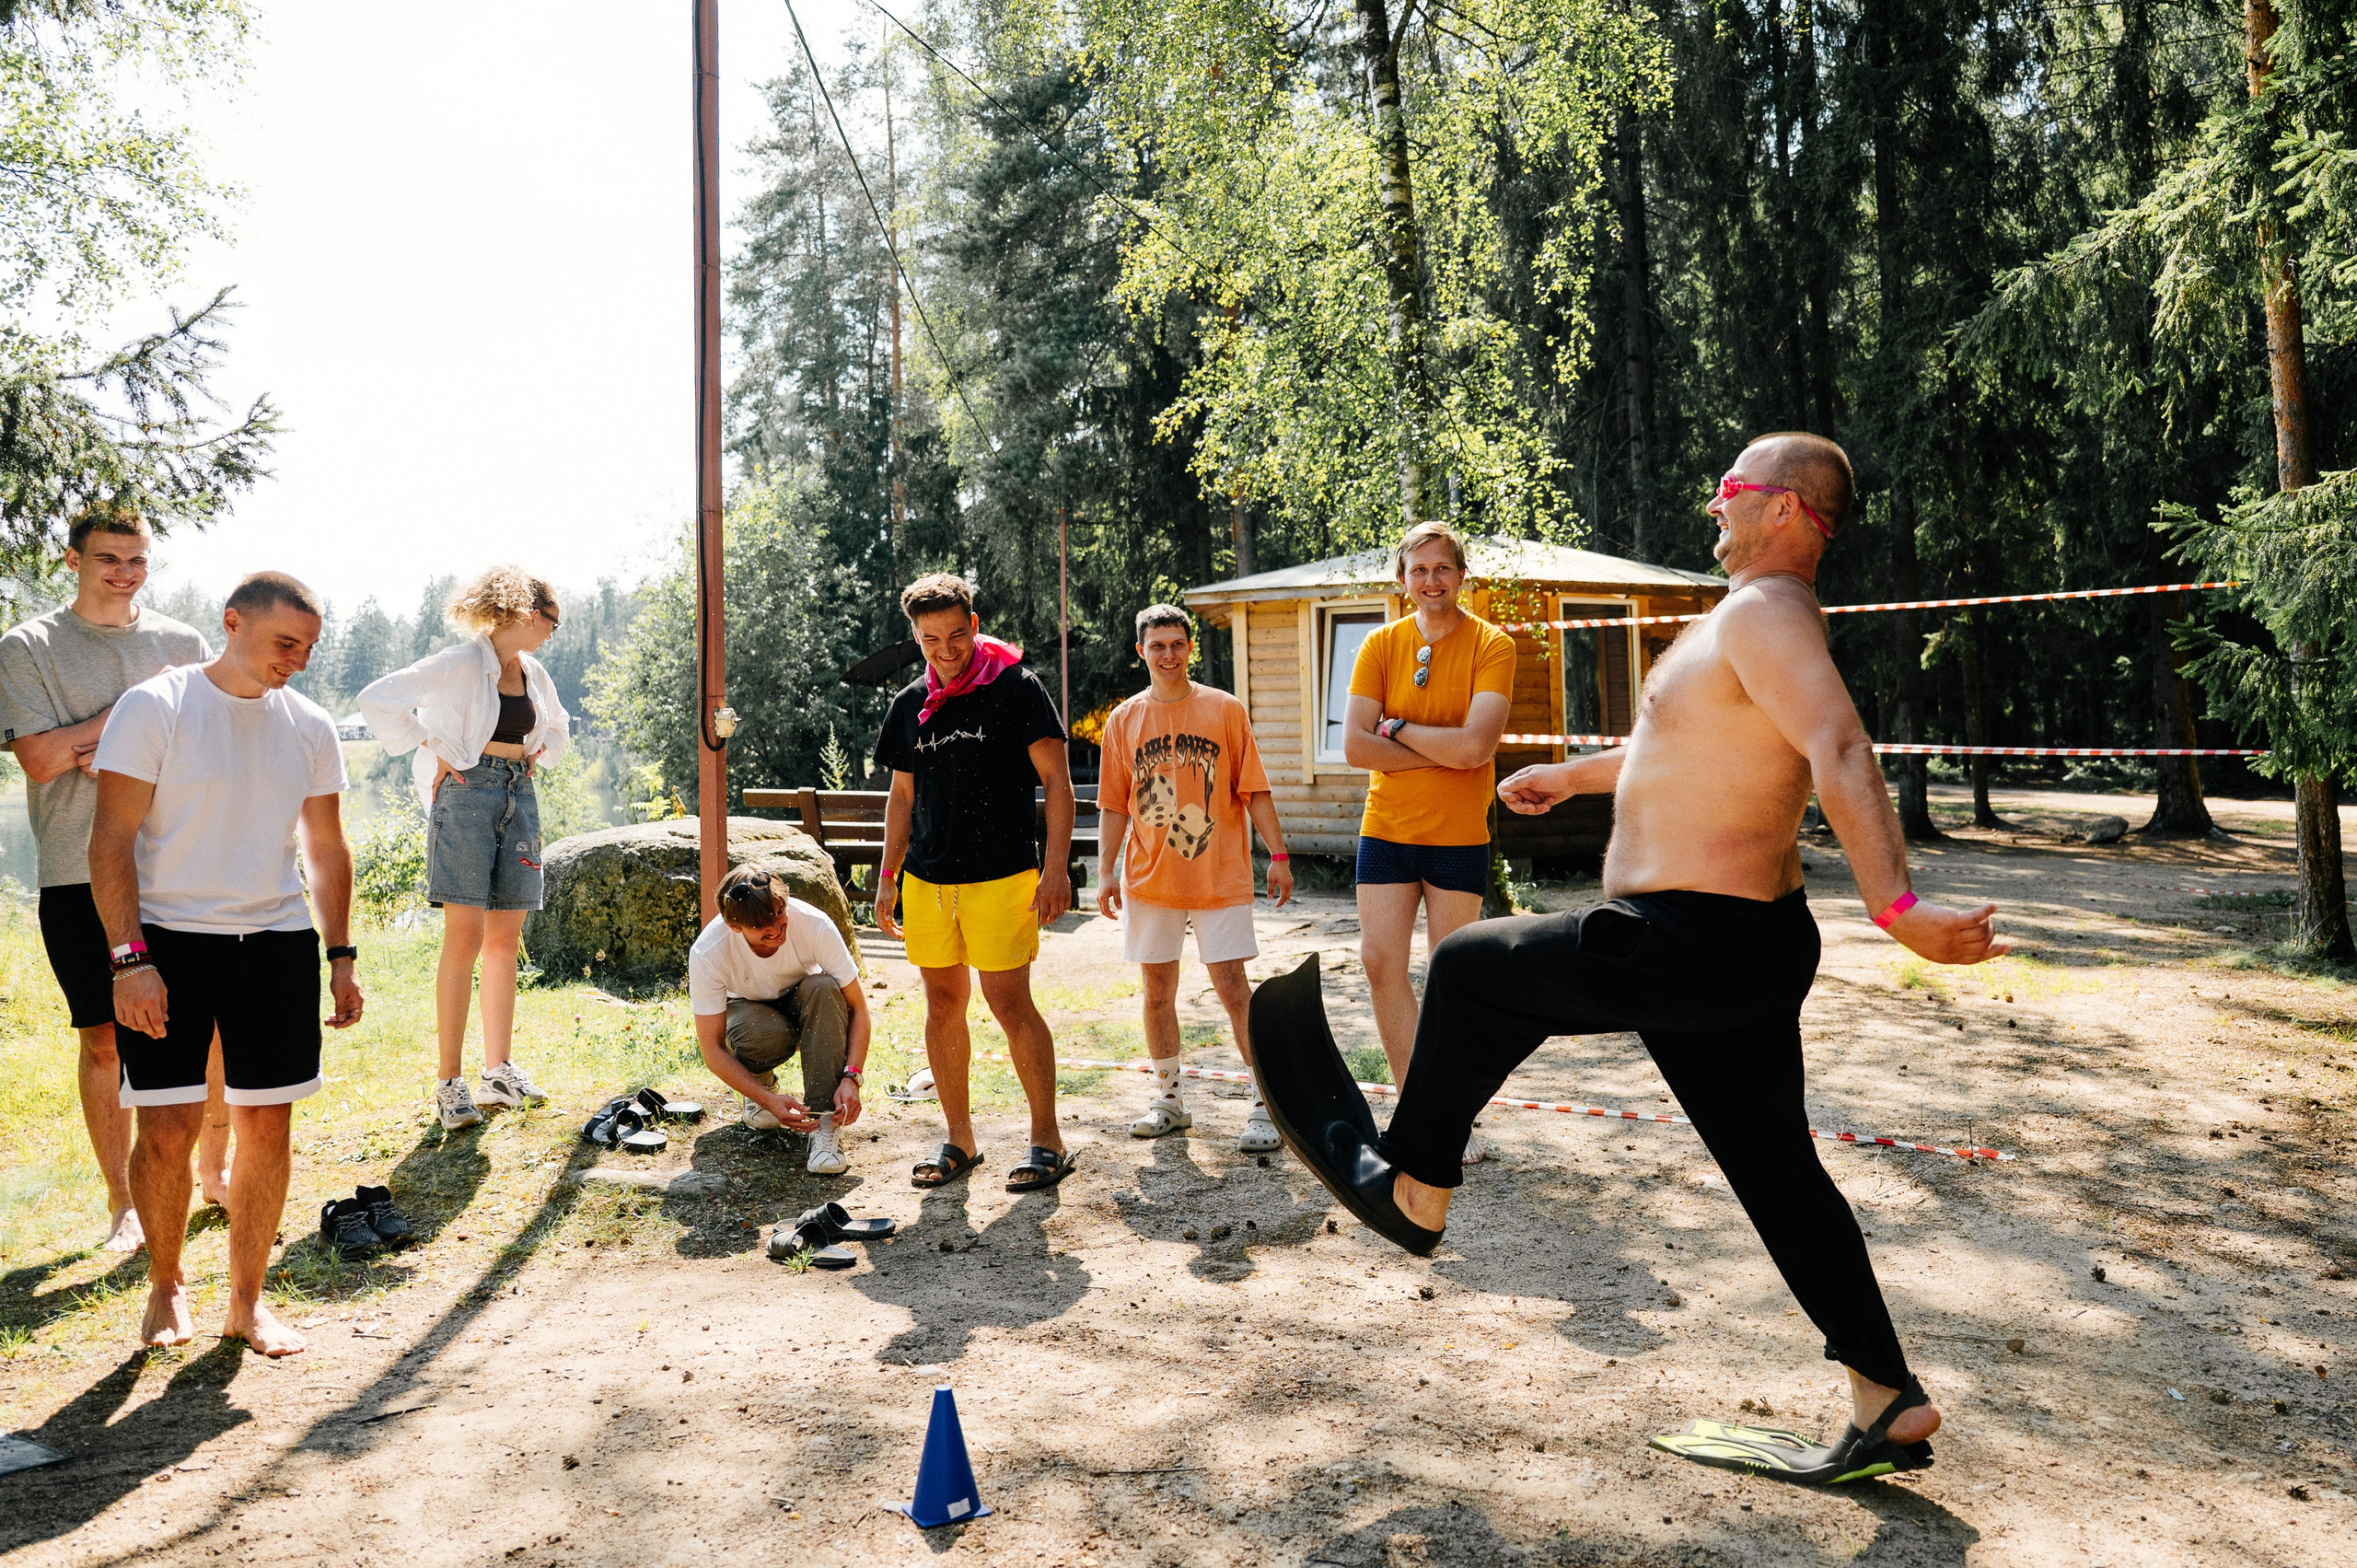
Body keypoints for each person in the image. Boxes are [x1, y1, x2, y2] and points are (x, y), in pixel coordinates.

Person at [1271, 433, 2006, 1484]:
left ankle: (1418, 1190)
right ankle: (1885, 1393)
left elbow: (1840, 745)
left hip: (1692, 936)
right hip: (1737, 947)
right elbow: (1682, 747)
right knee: (1776, 1170)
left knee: (1472, 966)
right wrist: (1572, 777)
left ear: (1787, 510)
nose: (1715, 501)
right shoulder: (1753, 621)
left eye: (1733, 487)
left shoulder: (1762, 611)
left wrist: (1896, 906)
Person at [92, 570, 364, 1356]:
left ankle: (247, 1303)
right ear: (233, 622)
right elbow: (110, 839)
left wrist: (341, 954)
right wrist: (129, 959)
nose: (297, 661)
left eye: (308, 648)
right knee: (168, 1125)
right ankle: (167, 1283)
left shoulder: (309, 724)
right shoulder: (157, 706)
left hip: (276, 942)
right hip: (168, 941)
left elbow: (325, 847)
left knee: (268, 1124)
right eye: (286, 642)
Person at [0, 506, 229, 1252]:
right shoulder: (29, 647)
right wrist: (138, 712)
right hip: (77, 870)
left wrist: (99, 746)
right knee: (103, 1039)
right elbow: (41, 760)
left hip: (179, 862)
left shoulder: (183, 644)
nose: (125, 573)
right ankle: (123, 1203)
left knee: (203, 1030)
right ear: (73, 560)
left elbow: (206, 747)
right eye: (108, 559)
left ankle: (210, 1172)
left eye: (137, 560)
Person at [872, 573, 1076, 1194]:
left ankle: (1047, 1138)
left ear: (975, 625)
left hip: (1003, 875)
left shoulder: (1017, 687)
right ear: (916, 637)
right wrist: (887, 878)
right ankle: (960, 1138)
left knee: (1009, 1003)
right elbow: (901, 797)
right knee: (942, 1005)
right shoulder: (909, 704)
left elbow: (1058, 782)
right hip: (928, 880)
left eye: (957, 635)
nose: (947, 649)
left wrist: (1056, 868)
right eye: (931, 639)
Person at [357, 565, 569, 1130]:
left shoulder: (534, 671)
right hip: (466, 793)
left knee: (505, 937)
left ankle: (498, 1072)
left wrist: (536, 751)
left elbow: (558, 727)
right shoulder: (459, 663)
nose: (553, 633)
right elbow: (377, 699)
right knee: (465, 937)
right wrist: (431, 743)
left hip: (518, 793)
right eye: (552, 622)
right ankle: (450, 1084)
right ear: (530, 615)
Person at [1341, 520, 1514, 1160]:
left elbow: (1477, 747)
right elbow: (1355, 746)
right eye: (1419, 570)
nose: (1431, 580)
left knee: (1452, 977)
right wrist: (1443, 750)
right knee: (1379, 963)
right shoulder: (1379, 644)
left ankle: (1454, 1114)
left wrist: (1397, 729)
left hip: (1458, 836)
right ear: (1402, 579)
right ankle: (1418, 1108)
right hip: (1386, 829)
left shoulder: (1492, 644)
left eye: (1442, 568)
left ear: (1461, 575)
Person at [1095, 604, 1294, 1153]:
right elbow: (1114, 803)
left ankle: (1265, 1105)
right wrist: (1105, 872)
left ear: (1190, 647)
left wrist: (1278, 855)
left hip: (1218, 875)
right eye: (1157, 645)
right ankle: (1169, 1101)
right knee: (1157, 990)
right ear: (1142, 651)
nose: (1168, 654)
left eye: (1177, 644)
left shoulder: (1224, 709)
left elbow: (1254, 788)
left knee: (1232, 988)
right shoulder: (1123, 720)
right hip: (1149, 877)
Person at [689, 863, 871, 1176]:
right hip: (748, 1012)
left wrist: (851, 1078)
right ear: (734, 926)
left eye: (779, 913)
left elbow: (860, 1010)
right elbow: (712, 1050)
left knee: (825, 988)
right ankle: (760, 1083)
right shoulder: (708, 952)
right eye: (760, 925)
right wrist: (766, 1099)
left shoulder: (815, 924)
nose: (775, 929)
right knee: (760, 1032)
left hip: (806, 1002)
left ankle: (824, 1121)